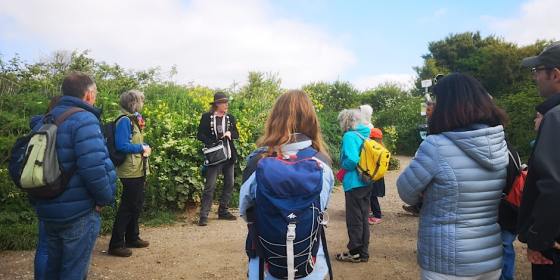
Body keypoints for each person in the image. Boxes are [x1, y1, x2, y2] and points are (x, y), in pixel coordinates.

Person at [397, 73, 509, 279]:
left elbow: (406, 192)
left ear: (447, 105)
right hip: (489, 260)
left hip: (447, 262)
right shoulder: (499, 143)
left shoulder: (436, 146)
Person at [239, 89, 334, 279]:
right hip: (310, 264)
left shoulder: (258, 162)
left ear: (274, 120)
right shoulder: (322, 163)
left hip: (265, 265)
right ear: (311, 121)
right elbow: (321, 206)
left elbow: (245, 210)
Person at [30, 72, 116, 279]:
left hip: (48, 207)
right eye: (95, 93)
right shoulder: (85, 119)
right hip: (78, 213)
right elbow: (94, 167)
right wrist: (104, 199)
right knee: (73, 272)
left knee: (52, 269)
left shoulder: (44, 120)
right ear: (88, 94)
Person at [518, 41, 560, 279]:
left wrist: (538, 239)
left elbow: (554, 185)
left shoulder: (555, 117)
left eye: (537, 71)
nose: (535, 77)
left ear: (555, 74)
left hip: (553, 248)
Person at [108, 90, 152, 257]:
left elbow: (133, 142)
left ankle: (132, 237)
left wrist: (143, 145)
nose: (142, 104)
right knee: (127, 206)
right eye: (141, 100)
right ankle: (116, 244)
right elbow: (121, 146)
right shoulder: (125, 121)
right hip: (130, 170)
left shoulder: (133, 119)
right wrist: (141, 148)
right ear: (133, 103)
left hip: (137, 167)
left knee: (136, 203)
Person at [197, 92, 239, 226]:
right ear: (217, 104)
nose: (227, 105)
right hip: (214, 156)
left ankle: (223, 210)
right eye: (224, 102)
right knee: (210, 186)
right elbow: (200, 134)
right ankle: (204, 215)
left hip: (228, 155)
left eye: (227, 102)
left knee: (229, 183)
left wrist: (230, 133)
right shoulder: (206, 117)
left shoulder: (230, 118)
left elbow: (236, 133)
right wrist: (212, 143)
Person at [30, 95, 61, 280]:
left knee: (44, 245)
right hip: (56, 188)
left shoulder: (37, 126)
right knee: (59, 244)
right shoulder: (61, 125)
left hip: (37, 187)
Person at [335, 109, 372, 263]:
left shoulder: (350, 136)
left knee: (354, 218)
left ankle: (355, 252)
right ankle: (363, 252)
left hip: (354, 182)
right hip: (366, 180)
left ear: (346, 122)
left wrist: (341, 164)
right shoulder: (365, 133)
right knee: (363, 217)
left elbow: (351, 160)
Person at [368, 128, 385, 225]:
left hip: (374, 176)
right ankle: (373, 213)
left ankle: (377, 215)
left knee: (372, 196)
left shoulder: (375, 149)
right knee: (371, 196)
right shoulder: (382, 148)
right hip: (378, 176)